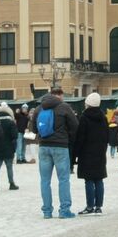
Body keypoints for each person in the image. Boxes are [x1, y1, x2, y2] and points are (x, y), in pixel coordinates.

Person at [30, 87, 79, 219]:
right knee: (63, 179)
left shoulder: (39, 108)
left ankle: (47, 211)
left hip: (44, 147)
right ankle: (64, 210)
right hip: (60, 146)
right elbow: (75, 126)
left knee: (45, 180)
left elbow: (33, 128)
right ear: (60, 96)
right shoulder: (64, 107)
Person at [74, 93, 110, 215]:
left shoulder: (84, 117)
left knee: (89, 180)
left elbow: (80, 137)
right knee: (99, 179)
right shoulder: (103, 117)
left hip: (86, 153)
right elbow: (106, 135)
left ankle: (90, 206)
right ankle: (99, 206)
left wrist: (75, 154)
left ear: (88, 103)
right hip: (99, 152)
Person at [0, 103, 19, 191]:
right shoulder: (11, 123)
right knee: (9, 166)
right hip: (8, 147)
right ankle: (11, 184)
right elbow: (15, 136)